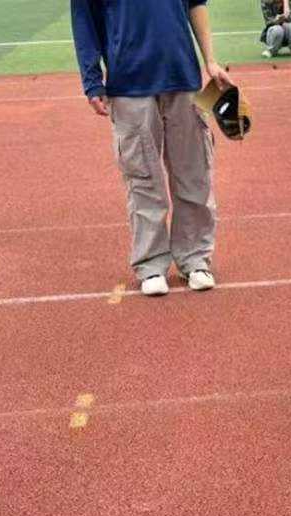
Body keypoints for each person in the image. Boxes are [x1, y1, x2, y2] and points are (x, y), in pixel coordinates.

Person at [70, 0, 232, 296]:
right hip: (128, 83)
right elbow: (84, 19)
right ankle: (151, 264)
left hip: (183, 76)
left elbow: (196, 3)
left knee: (194, 173)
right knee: (143, 178)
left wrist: (210, 61)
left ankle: (195, 259)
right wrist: (92, 80)